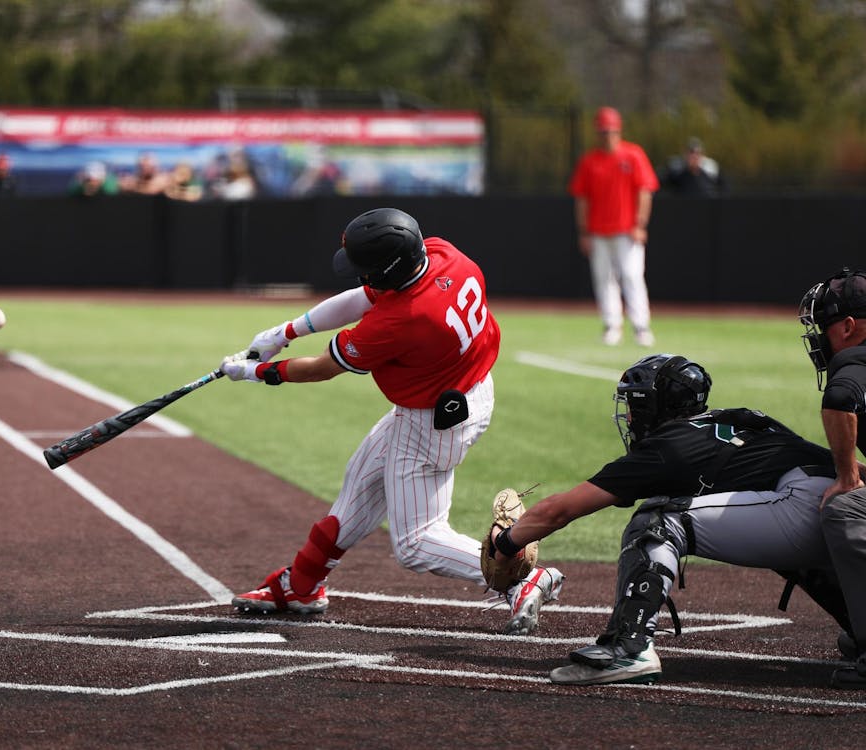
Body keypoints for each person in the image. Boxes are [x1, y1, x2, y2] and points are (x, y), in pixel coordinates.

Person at [219, 207, 564, 635]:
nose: (361, 277)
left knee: (417, 543)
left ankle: (519, 577)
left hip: (433, 421)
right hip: (458, 393)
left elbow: (323, 367)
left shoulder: (404, 319)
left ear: (389, 269)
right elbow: (362, 298)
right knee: (358, 489)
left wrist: (254, 372)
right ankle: (302, 585)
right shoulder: (443, 254)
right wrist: (283, 332)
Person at [487, 352, 847, 685]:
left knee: (658, 518)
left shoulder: (669, 446)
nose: (629, 415)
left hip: (803, 507)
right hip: (845, 503)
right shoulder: (742, 418)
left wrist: (505, 544)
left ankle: (629, 649)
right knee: (787, 544)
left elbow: (562, 509)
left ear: (653, 407)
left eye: (633, 404)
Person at [798, 268, 866, 689]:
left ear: (848, 327)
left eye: (822, 328)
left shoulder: (855, 356)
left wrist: (845, 475)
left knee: (843, 506)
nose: (819, 340)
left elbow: (840, 398)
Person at [569, 106, 659, 347]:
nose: (606, 136)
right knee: (603, 278)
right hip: (598, 231)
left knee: (632, 275)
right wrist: (584, 231)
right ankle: (612, 325)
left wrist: (640, 224)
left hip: (626, 231)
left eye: (610, 131)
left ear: (618, 130)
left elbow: (645, 191)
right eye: (602, 131)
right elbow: (581, 198)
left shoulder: (633, 155)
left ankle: (641, 326)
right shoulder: (589, 162)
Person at [660, 137, 726, 196]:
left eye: (697, 153)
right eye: (691, 153)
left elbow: (724, 189)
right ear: (685, 154)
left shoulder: (711, 171)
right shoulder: (676, 171)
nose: (694, 156)